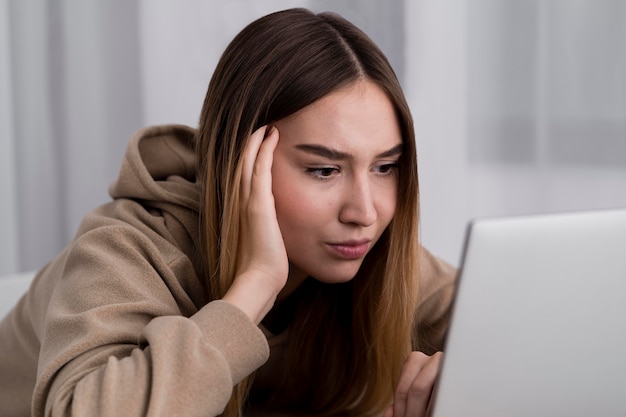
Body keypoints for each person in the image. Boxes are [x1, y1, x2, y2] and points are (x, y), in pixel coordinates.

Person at [0, 8, 456, 417]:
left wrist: (457, 382)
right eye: (323, 170)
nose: (365, 211)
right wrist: (255, 286)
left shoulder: (364, 249)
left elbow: (500, 327)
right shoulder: (126, 248)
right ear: (242, 160)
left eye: (385, 167)